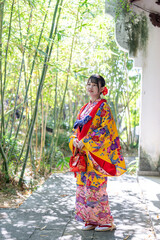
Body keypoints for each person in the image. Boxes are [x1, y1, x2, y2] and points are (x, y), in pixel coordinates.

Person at [69, 74, 126, 232]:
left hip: (96, 155)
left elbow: (106, 130)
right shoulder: (84, 108)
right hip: (83, 155)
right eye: (88, 84)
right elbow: (77, 130)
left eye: (94, 85)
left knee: (96, 188)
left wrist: (86, 141)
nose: (90, 87)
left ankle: (105, 222)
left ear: (101, 89)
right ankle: (90, 220)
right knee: (83, 188)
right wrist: (74, 140)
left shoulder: (103, 107)